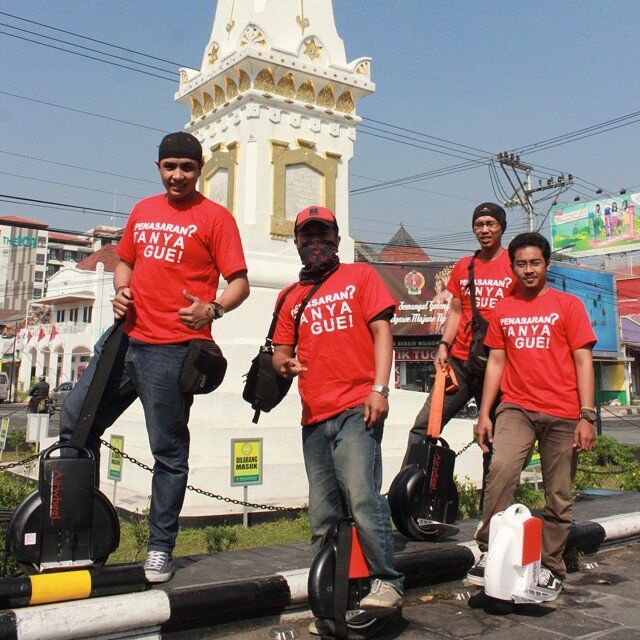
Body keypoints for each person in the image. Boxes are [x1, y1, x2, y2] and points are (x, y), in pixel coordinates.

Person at [60, 131, 249, 583]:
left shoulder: (216, 218)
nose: (177, 175)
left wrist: (213, 309)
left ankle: (160, 546)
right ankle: (77, 532)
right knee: (74, 423)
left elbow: (239, 283)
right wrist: (121, 289)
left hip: (173, 350)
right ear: (158, 168)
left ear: (199, 170)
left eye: (187, 167)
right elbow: (125, 261)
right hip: (122, 341)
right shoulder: (143, 210)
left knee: (168, 451)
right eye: (170, 167)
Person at [272, 206, 404, 636]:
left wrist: (380, 389)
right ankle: (331, 600)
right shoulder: (290, 296)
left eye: (323, 235)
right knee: (323, 513)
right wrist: (283, 364)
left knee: (362, 495)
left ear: (336, 239)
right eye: (307, 236)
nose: (315, 243)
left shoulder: (360, 277)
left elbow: (382, 332)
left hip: (357, 407)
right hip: (314, 416)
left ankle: (387, 580)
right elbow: (280, 350)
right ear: (297, 243)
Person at [467, 232, 597, 595]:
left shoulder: (569, 305)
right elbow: (496, 362)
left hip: (563, 411)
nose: (528, 270)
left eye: (535, 263)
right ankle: (489, 549)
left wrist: (587, 416)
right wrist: (484, 414)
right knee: (501, 470)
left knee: (559, 492)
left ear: (547, 264)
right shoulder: (503, 309)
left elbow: (583, 360)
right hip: (516, 407)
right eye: (521, 264)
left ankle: (551, 565)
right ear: (512, 268)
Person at [403, 203, 518, 468]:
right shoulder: (464, 266)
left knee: (494, 439)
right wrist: (444, 345)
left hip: (498, 367)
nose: (485, 230)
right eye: (479, 224)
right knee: (425, 426)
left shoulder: (514, 264)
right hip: (460, 364)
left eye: (490, 224)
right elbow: (456, 311)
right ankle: (409, 486)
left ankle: (492, 496)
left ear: (501, 227)